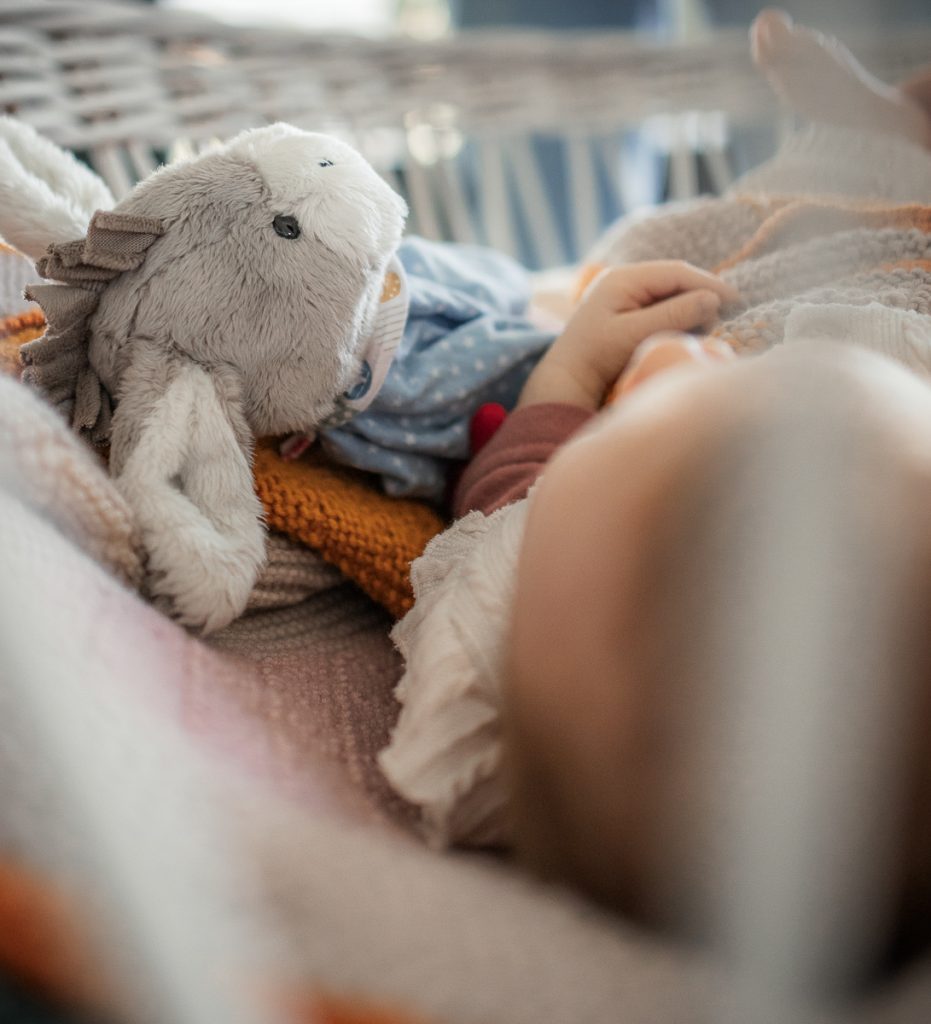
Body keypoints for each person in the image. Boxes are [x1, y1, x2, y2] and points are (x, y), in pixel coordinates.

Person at [379, 8, 931, 979]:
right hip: (892, 307)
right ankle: (893, 141)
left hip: (757, 272)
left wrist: (564, 379)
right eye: (731, 385)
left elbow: (502, 509)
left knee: (682, 250)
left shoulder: (506, 629)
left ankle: (881, 142)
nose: (679, 357)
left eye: (612, 424)